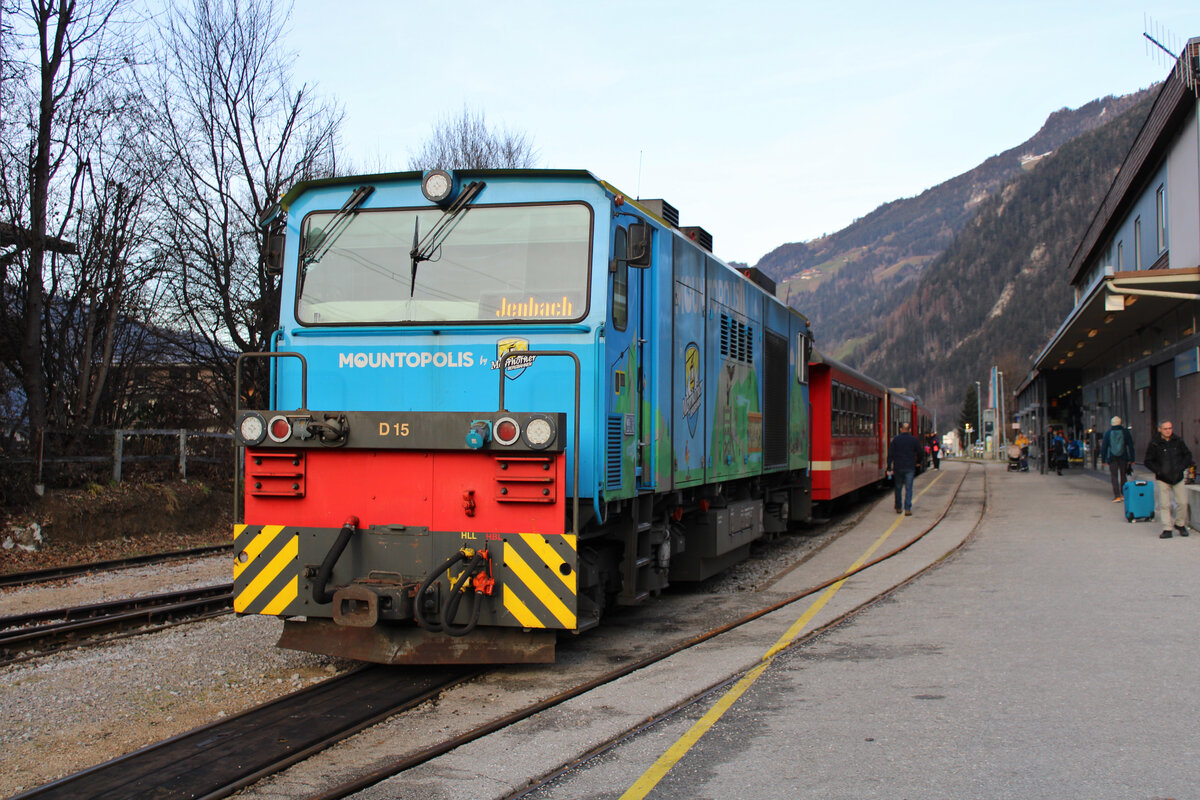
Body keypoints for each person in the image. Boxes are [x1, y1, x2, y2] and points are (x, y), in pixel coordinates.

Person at [1142, 420, 1194, 539]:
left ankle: (1180, 524)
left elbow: (1188, 455)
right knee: (1165, 504)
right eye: (1165, 428)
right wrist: (1159, 471)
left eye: (1170, 428)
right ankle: (1167, 528)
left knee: (1182, 502)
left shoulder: (1178, 441)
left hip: (1178, 476)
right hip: (1163, 478)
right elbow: (1148, 461)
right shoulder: (1155, 443)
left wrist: (1181, 467)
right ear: (1160, 429)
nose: (1168, 431)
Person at [887, 422, 922, 516]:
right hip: (910, 467)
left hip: (898, 467)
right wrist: (918, 462)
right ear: (910, 430)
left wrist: (889, 467)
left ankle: (898, 507)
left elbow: (890, 454)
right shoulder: (914, 440)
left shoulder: (896, 440)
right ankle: (907, 509)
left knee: (898, 487)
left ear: (901, 430)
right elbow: (920, 452)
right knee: (909, 488)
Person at [1100, 416, 1135, 503]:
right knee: (1123, 475)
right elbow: (1130, 446)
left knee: (1114, 476)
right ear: (1120, 423)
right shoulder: (1125, 432)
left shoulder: (1108, 433)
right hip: (1123, 457)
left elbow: (1104, 447)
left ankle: (1117, 496)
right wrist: (1132, 459)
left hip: (1112, 458)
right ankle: (1123, 494)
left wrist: (1103, 459)